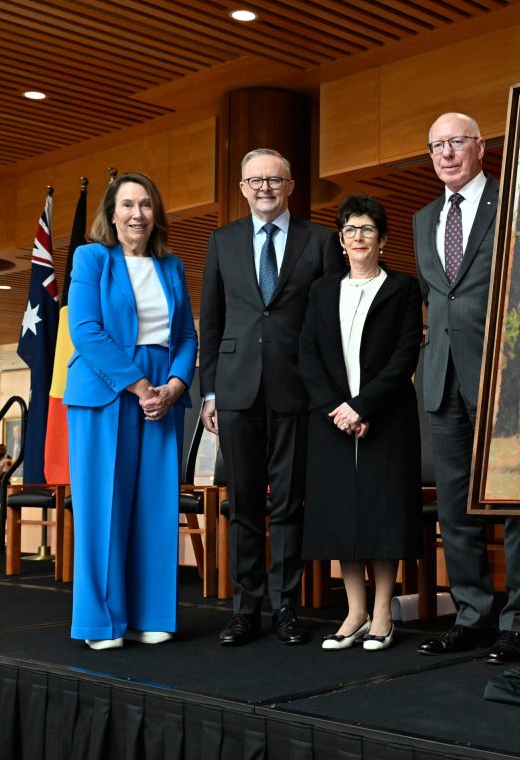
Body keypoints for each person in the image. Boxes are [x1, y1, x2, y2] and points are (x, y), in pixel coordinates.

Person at [413, 112, 520, 664]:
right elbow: (432, 297)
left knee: (514, 504)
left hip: (501, 378)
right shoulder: (422, 219)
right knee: (455, 508)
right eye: (436, 144)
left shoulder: (511, 204)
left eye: (456, 142)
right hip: (441, 378)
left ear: (480, 147)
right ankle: (471, 614)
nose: (446, 153)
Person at [199, 149, 341, 647]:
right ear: (242, 187)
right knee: (242, 506)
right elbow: (212, 321)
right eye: (255, 180)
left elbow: (328, 323)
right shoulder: (222, 241)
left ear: (290, 186)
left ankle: (286, 607)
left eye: (274, 179)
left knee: (287, 505)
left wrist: (328, 392)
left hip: (296, 389)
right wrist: (210, 391)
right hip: (236, 390)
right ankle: (245, 609)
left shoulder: (320, 241)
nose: (264, 187)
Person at [63, 173, 197, 650]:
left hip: (163, 390)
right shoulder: (91, 257)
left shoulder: (172, 265)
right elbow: (85, 330)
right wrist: (141, 387)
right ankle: (100, 622)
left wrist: (176, 385)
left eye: (145, 204)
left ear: (155, 214)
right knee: (103, 507)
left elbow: (185, 335)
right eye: (127, 205)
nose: (137, 213)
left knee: (156, 505)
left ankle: (151, 614)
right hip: (107, 388)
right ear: (112, 212)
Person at [298, 195, 424, 652]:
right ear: (341, 238)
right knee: (342, 516)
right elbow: (308, 354)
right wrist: (338, 409)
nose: (358, 237)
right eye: (350, 230)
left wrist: (364, 407)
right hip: (332, 421)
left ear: (383, 239)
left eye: (367, 229)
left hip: (386, 419)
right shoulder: (322, 290)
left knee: (382, 515)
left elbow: (404, 354)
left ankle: (384, 614)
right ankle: (353, 612)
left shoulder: (403, 288)